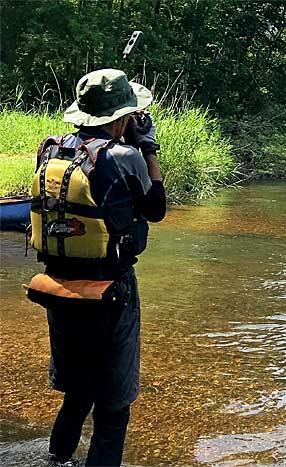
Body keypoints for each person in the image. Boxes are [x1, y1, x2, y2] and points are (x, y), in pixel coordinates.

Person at [26, 69, 166, 466]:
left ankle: (58, 460)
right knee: (113, 404)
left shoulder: (50, 150)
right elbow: (155, 209)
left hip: (58, 287)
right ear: (121, 117)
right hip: (110, 292)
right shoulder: (125, 157)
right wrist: (148, 149)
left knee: (78, 389)